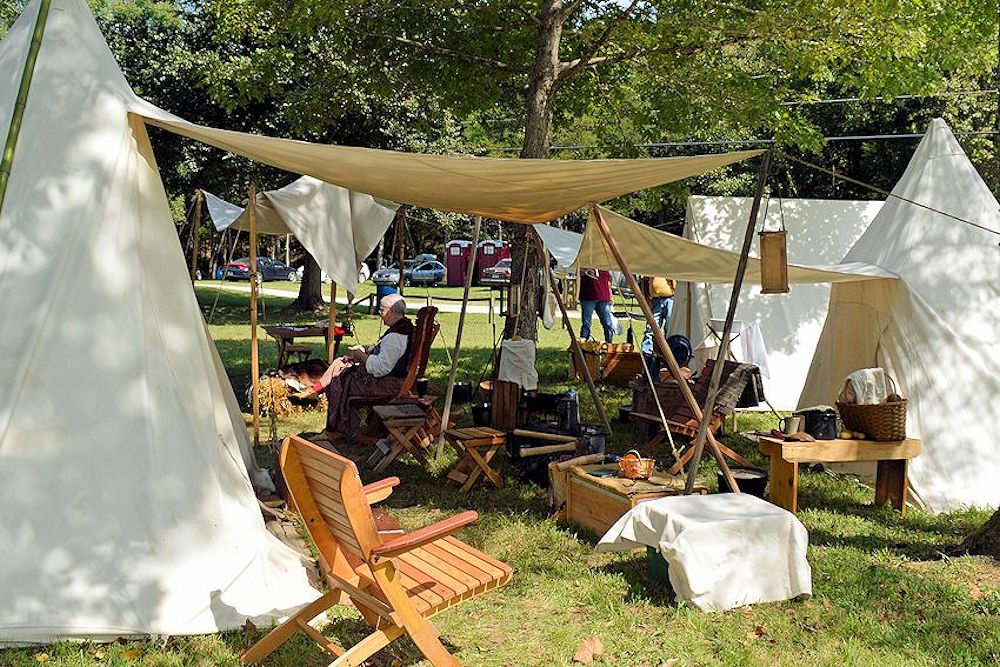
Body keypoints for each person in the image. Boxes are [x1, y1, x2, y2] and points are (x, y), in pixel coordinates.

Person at [299, 293, 413, 436]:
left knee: (339, 379)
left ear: (392, 311)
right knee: (339, 363)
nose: (380, 314)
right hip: (390, 379)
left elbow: (381, 368)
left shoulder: (396, 336)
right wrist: (365, 354)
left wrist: (363, 356)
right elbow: (386, 359)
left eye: (382, 310)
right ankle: (315, 392)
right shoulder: (401, 330)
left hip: (388, 384)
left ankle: (336, 429)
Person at [641, 275, 676, 373]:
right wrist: (646, 298)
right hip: (655, 299)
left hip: (670, 298)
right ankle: (647, 357)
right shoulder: (651, 264)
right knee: (651, 329)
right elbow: (644, 280)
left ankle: (669, 357)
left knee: (670, 329)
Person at [578, 268, 614, 343]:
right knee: (586, 323)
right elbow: (580, 272)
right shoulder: (587, 262)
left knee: (608, 323)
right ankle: (583, 344)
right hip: (588, 297)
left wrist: (610, 296)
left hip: (603, 297)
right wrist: (585, 271)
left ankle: (609, 344)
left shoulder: (605, 266)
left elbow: (608, 282)